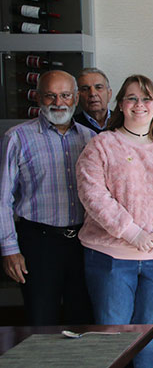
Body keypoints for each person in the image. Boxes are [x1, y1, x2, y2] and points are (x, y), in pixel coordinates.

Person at [76, 75, 153, 368]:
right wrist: (132, 233)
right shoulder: (101, 145)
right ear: (121, 104)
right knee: (111, 332)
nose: (139, 104)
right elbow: (93, 194)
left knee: (152, 330)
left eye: (146, 98)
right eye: (131, 98)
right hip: (110, 257)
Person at [0, 70, 95, 325]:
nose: (58, 102)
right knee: (41, 321)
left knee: (83, 319)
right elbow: (2, 199)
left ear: (75, 98)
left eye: (65, 95)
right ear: (38, 97)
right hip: (38, 244)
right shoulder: (17, 138)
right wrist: (9, 249)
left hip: (83, 243)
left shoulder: (91, 139)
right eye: (50, 96)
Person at [74, 67, 113, 133]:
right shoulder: (72, 125)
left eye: (98, 87)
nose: (92, 93)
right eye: (85, 89)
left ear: (109, 94)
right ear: (78, 96)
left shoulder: (123, 121)